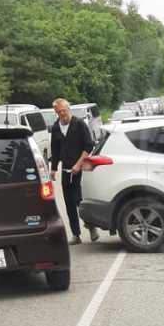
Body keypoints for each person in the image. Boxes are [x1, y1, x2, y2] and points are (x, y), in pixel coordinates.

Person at [49, 98, 97, 244]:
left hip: (80, 168)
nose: (62, 114)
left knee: (79, 201)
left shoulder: (79, 124)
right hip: (66, 169)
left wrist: (78, 164)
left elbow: (88, 146)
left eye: (64, 110)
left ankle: (91, 226)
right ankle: (76, 234)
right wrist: (53, 169)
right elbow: (55, 150)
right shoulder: (56, 127)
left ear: (68, 109)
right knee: (69, 203)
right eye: (59, 112)